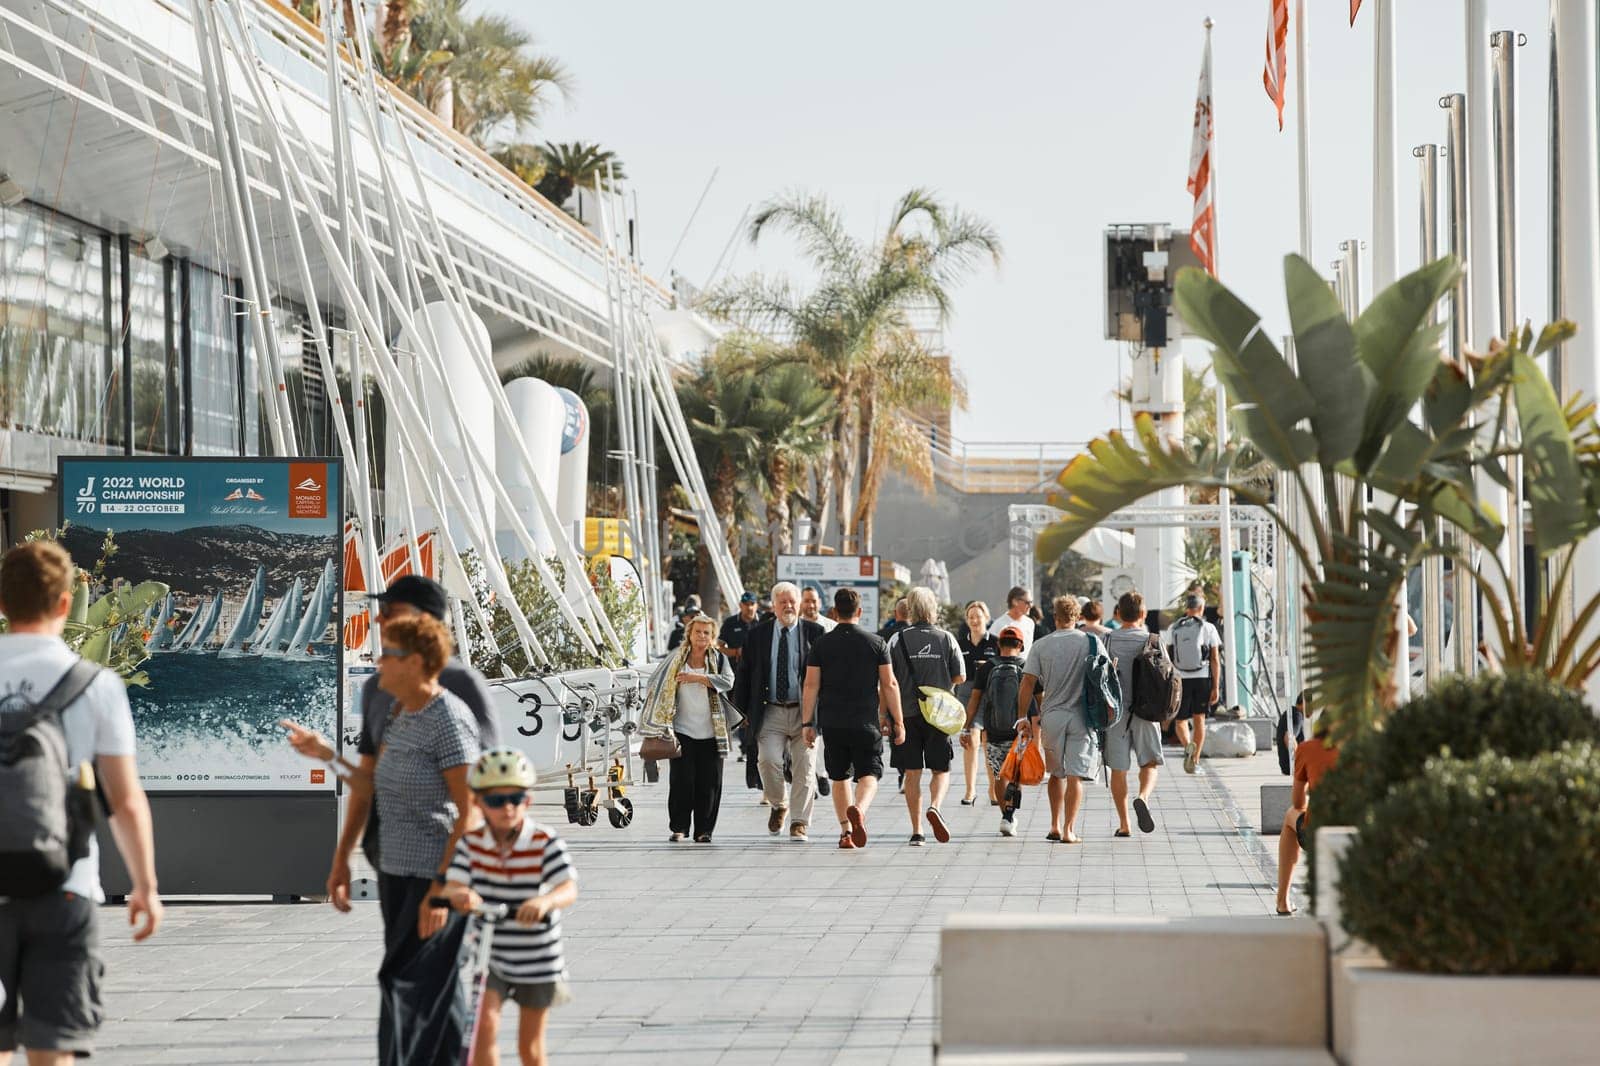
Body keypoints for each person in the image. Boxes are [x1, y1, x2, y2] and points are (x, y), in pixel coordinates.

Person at [0, 541, 162, 1064]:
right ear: (66, 604)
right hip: (65, 885)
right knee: (54, 1047)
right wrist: (145, 886)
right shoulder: (96, 685)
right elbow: (126, 800)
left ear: (1, 604)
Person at [283, 575, 496, 880]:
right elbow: (369, 783)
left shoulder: (464, 688)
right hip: (391, 863)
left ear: (422, 620)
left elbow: (482, 794)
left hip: (442, 869)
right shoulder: (377, 688)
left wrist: (452, 882)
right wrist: (343, 856)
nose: (378, 618)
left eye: (389, 610)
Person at [348, 613, 482, 1061]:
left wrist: (442, 890)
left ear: (418, 662)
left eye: (389, 654)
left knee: (408, 986)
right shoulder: (398, 711)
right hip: (396, 872)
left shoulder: (448, 719)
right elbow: (372, 787)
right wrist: (325, 757)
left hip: (432, 877)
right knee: (431, 993)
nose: (378, 661)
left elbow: (470, 811)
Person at [442, 747, 577, 1066]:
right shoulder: (472, 843)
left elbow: (567, 887)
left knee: (530, 1047)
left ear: (527, 802)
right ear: (479, 803)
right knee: (482, 1030)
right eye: (495, 800)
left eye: (515, 799)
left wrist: (545, 901)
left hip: (538, 957)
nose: (507, 808)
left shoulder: (544, 841)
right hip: (492, 955)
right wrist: (461, 895)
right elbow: (453, 882)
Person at [801, 588, 904, 849]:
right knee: (870, 772)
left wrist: (807, 723)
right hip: (865, 720)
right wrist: (898, 721)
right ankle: (859, 807)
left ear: (834, 613)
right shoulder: (876, 642)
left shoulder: (821, 644)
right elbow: (889, 684)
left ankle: (846, 832)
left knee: (839, 776)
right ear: (860, 612)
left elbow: (810, 685)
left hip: (832, 721)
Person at [732, 583, 826, 840]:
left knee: (805, 768)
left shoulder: (815, 633)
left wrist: (821, 715)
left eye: (792, 601)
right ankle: (779, 803)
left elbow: (825, 678)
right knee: (768, 760)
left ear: (800, 603)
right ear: (773, 605)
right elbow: (745, 673)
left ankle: (799, 821)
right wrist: (740, 711)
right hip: (770, 710)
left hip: (805, 713)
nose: (788, 606)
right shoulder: (758, 635)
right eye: (782, 601)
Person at [640, 613, 735, 842]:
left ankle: (704, 831)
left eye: (706, 633)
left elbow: (728, 681)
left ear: (712, 637)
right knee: (682, 782)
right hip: (682, 730)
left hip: (713, 731)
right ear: (689, 634)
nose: (701, 636)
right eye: (697, 632)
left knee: (709, 784)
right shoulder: (676, 659)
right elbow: (654, 680)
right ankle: (679, 827)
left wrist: (698, 679)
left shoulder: (719, 659)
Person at [885, 586, 965, 846]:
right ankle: (936, 806)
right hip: (938, 715)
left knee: (912, 772)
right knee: (941, 769)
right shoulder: (946, 638)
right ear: (932, 608)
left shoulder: (897, 639)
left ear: (910, 608)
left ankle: (917, 830)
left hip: (906, 714)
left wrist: (885, 716)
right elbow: (959, 676)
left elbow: (887, 681)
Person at [1018, 596, 1095, 843]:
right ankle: (1069, 830)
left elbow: (1027, 682)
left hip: (1051, 716)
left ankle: (1053, 824)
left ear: (1055, 617)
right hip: (1082, 716)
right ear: (1077, 616)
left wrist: (1022, 717)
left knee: (1055, 774)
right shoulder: (1091, 642)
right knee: (1075, 775)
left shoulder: (1041, 645)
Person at [1103, 592, 1165, 837]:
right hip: (1147, 712)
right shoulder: (1153, 640)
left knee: (1119, 769)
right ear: (1143, 614)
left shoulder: (1106, 640)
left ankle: (1125, 823)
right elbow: (1167, 678)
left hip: (1115, 713)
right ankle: (1143, 797)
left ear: (1118, 614)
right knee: (1149, 763)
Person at [961, 625, 1028, 836]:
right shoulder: (1026, 667)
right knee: (1016, 775)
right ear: (1021, 645)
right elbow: (1038, 700)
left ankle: (1005, 816)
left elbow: (974, 700)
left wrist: (966, 727)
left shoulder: (987, 667)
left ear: (999, 645)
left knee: (1000, 775)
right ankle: (1010, 815)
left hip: (993, 730)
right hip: (1019, 730)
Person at [1276, 698, 1336, 916]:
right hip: (1362, 825)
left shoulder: (1308, 749)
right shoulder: (1365, 746)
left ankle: (1282, 900)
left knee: (1290, 817)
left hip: (1319, 830)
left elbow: (1299, 802)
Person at [1167, 591, 1222, 774]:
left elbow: (1168, 658)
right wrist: (1215, 686)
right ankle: (1195, 760)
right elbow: (1214, 659)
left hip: (1180, 679)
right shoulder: (1208, 628)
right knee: (1199, 719)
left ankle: (1186, 746)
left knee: (1180, 720)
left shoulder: (1174, 628)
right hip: (1202, 678)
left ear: (1187, 608)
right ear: (1201, 608)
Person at [954, 600, 997, 806]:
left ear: (986, 618)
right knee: (970, 741)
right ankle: (970, 790)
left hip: (989, 695)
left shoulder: (995, 642)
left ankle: (993, 788)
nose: (974, 620)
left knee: (989, 744)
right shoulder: (959, 643)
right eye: (970, 616)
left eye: (978, 616)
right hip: (966, 694)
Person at [989, 586, 1040, 656]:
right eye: (1028, 602)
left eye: (1031, 602)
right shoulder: (999, 625)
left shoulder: (1030, 623)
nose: (1031, 606)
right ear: (1015, 601)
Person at [717, 592, 759, 663]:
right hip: (736, 669)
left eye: (752, 604)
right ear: (740, 605)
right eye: (746, 604)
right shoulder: (730, 623)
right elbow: (718, 648)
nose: (749, 608)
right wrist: (736, 652)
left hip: (759, 670)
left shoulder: (764, 621)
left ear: (757, 606)